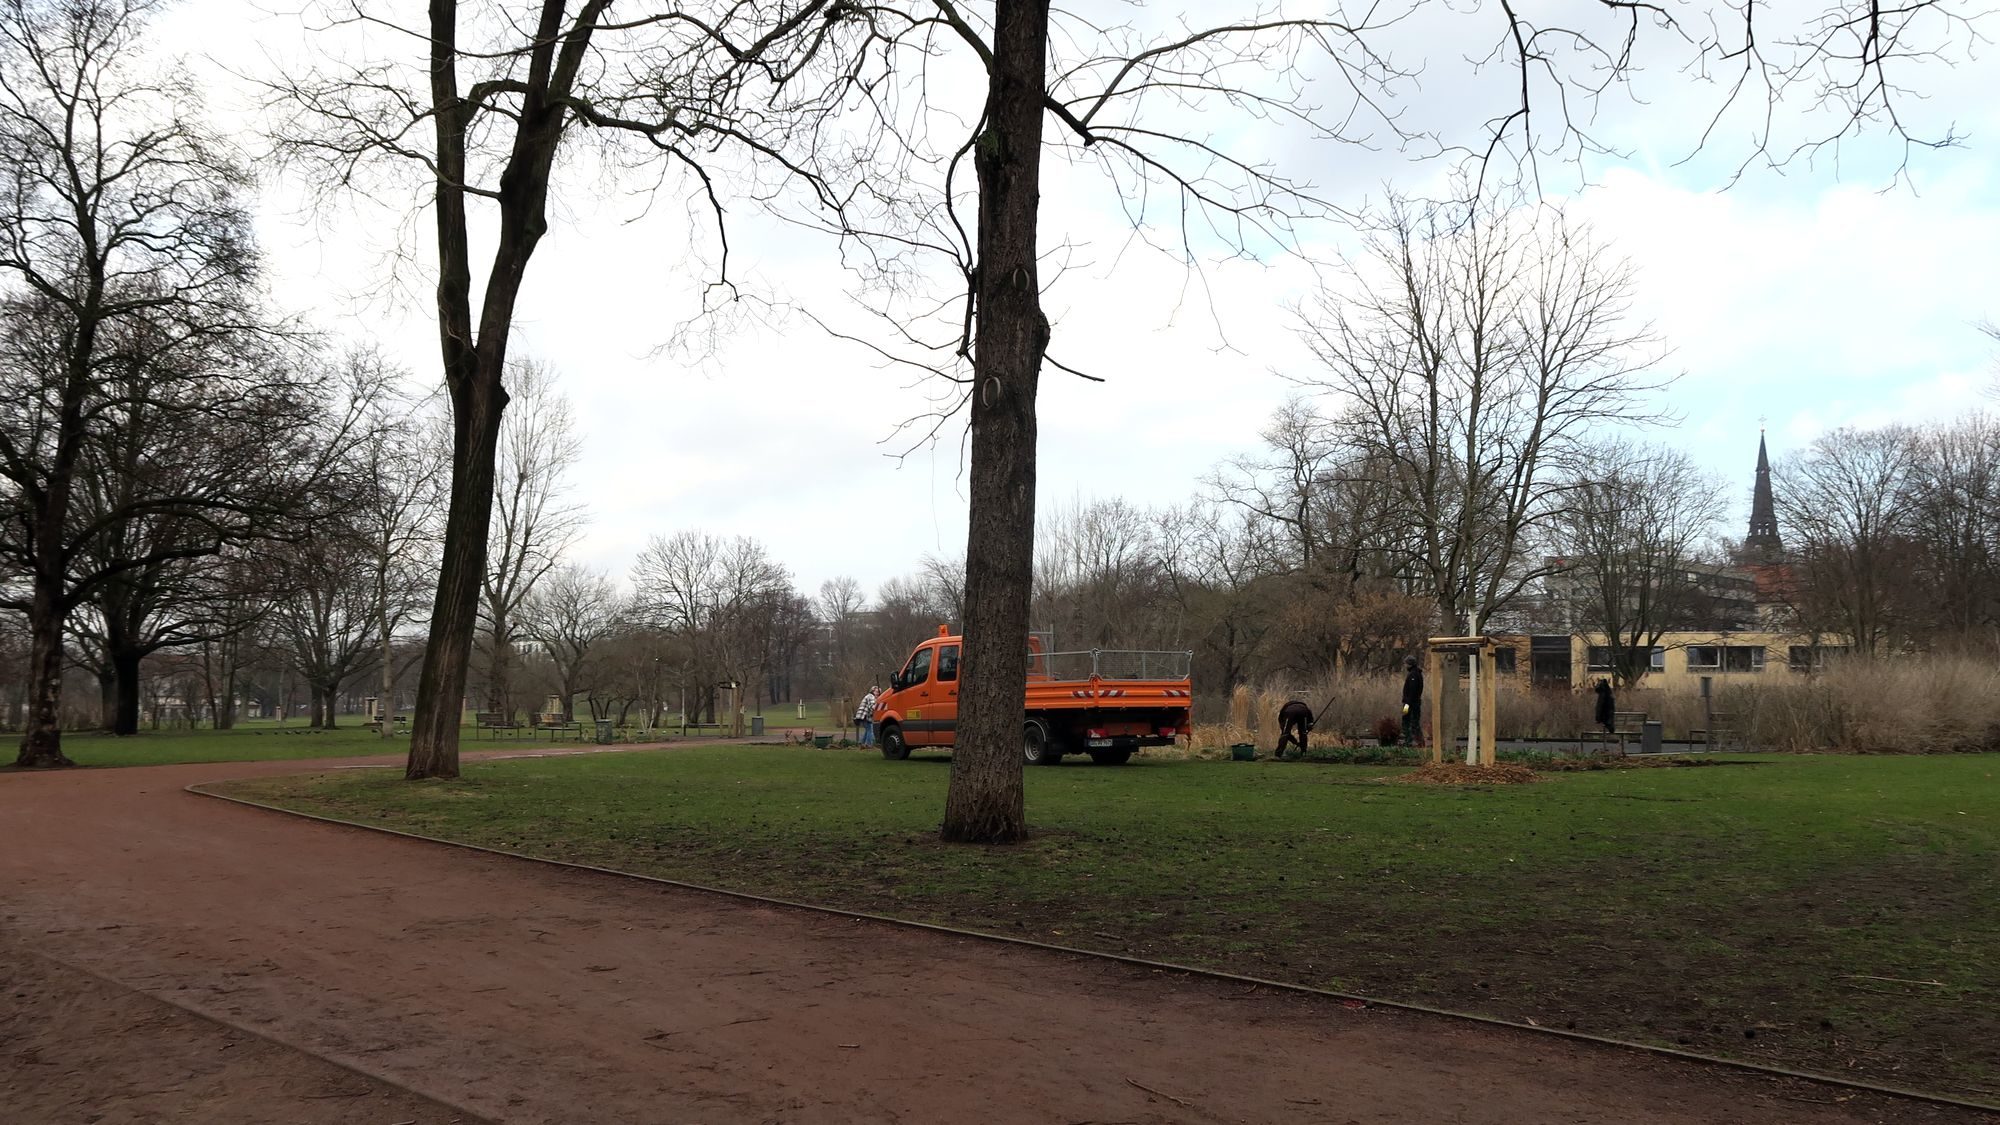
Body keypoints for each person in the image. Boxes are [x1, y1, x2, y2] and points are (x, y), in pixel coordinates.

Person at [1400, 656, 1424, 747]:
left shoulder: (1413, 675)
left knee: (1406, 720)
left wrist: (1407, 702)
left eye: (1406, 663)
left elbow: (1412, 691)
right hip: (1413, 703)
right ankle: (1418, 741)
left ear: (1410, 664)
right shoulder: (1417, 673)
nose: (1405, 665)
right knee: (1414, 721)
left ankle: (1409, 740)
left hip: (1409, 704)